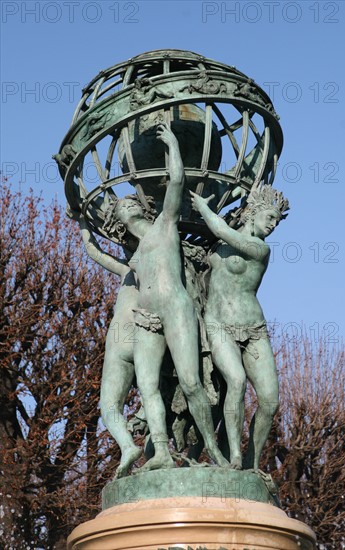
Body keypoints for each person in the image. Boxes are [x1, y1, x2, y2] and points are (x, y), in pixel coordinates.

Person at [105, 122, 228, 470]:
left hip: (176, 309)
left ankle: (214, 452)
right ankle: (160, 451)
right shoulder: (134, 257)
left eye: (127, 206)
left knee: (190, 383)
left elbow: (176, 182)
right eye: (119, 211)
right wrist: (84, 227)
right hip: (146, 317)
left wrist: (173, 144)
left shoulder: (165, 223)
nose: (123, 209)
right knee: (147, 388)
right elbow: (99, 251)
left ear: (138, 209)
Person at [190, 184, 289, 470]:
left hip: (254, 328)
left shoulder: (260, 248)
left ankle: (252, 462)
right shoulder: (216, 243)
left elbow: (221, 230)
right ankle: (234, 456)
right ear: (253, 213)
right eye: (269, 217)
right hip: (219, 324)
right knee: (235, 381)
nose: (273, 225)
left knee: (270, 401)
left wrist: (204, 207)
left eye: (277, 222)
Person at [69, 211, 142, 478]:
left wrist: (82, 221)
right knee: (154, 396)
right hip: (150, 337)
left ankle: (127, 446)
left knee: (110, 405)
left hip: (122, 338)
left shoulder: (127, 269)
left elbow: (94, 251)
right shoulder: (163, 269)